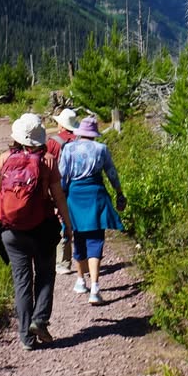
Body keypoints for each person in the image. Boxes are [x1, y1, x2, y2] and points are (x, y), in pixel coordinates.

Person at [0, 113, 73, 349]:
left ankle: (26, 338)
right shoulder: (47, 160)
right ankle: (40, 319)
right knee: (46, 274)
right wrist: (67, 225)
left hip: (11, 230)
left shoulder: (4, 159)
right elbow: (58, 197)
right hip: (42, 228)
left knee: (22, 281)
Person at [58, 115, 126, 306]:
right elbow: (111, 173)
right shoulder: (101, 149)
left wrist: (60, 199)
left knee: (77, 236)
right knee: (96, 239)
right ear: (94, 133)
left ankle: (81, 281)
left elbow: (63, 175)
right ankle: (95, 288)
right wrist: (119, 193)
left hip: (75, 196)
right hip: (96, 194)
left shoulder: (69, 148)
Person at [46, 108, 78, 275]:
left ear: (61, 124)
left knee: (63, 221)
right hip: (79, 185)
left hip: (60, 185)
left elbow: (46, 163)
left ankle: (63, 262)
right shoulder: (81, 139)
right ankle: (84, 261)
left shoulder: (53, 142)